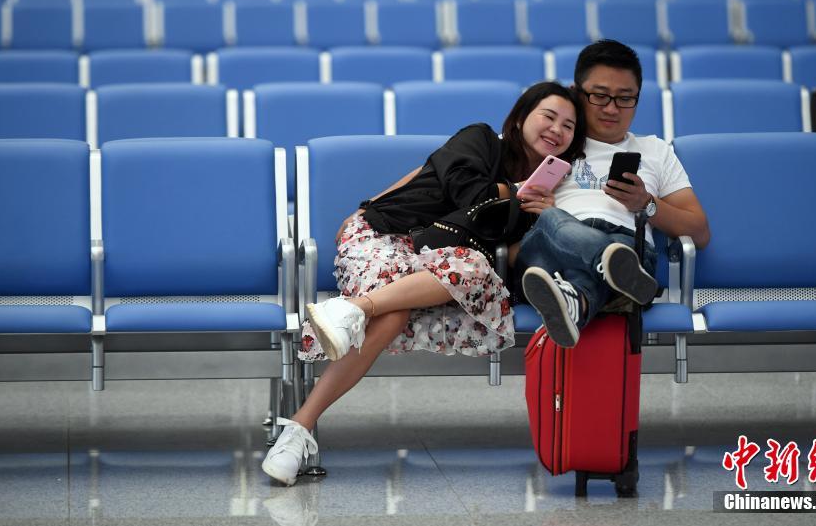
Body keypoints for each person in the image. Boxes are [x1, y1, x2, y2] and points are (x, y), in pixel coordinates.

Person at [262, 82, 588, 485]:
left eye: (569, 126)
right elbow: (453, 182)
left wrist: (545, 216)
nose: (557, 129)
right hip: (386, 234)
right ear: (521, 118)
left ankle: (348, 311)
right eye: (549, 116)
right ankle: (298, 431)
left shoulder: (550, 195)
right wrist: (368, 207)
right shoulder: (480, 138)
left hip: (442, 264)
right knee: (391, 315)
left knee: (472, 269)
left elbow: (510, 257)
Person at [518, 40, 710, 348]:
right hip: (554, 250)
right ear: (576, 92)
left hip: (628, 247)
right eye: (599, 96)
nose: (611, 108)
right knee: (551, 220)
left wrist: (647, 204)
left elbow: (699, 232)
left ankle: (577, 302)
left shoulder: (655, 150)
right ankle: (609, 267)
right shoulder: (551, 138)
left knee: (619, 252)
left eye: (625, 98)